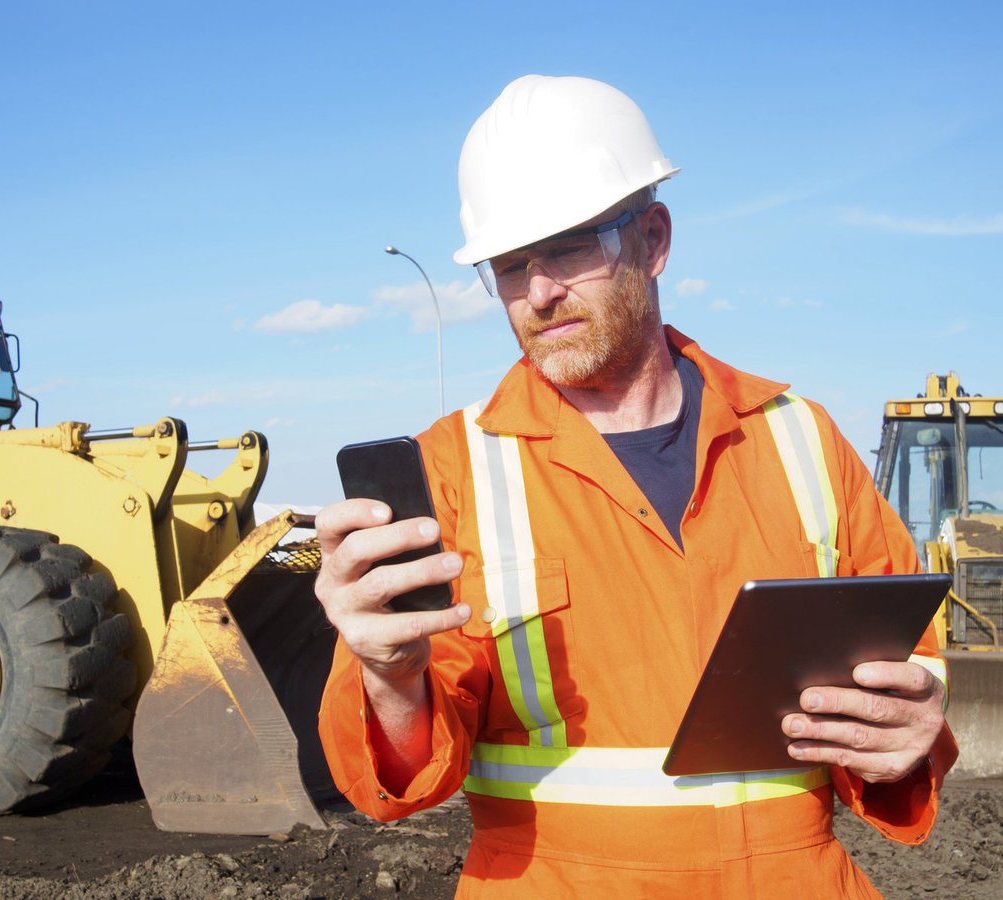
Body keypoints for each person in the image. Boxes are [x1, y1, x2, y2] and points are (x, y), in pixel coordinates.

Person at [314, 74, 957, 898]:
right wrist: (390, 675)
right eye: (508, 266)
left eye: (569, 247)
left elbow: (915, 669)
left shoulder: (800, 439)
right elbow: (403, 774)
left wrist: (907, 733)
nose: (538, 293)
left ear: (653, 239)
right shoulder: (454, 472)